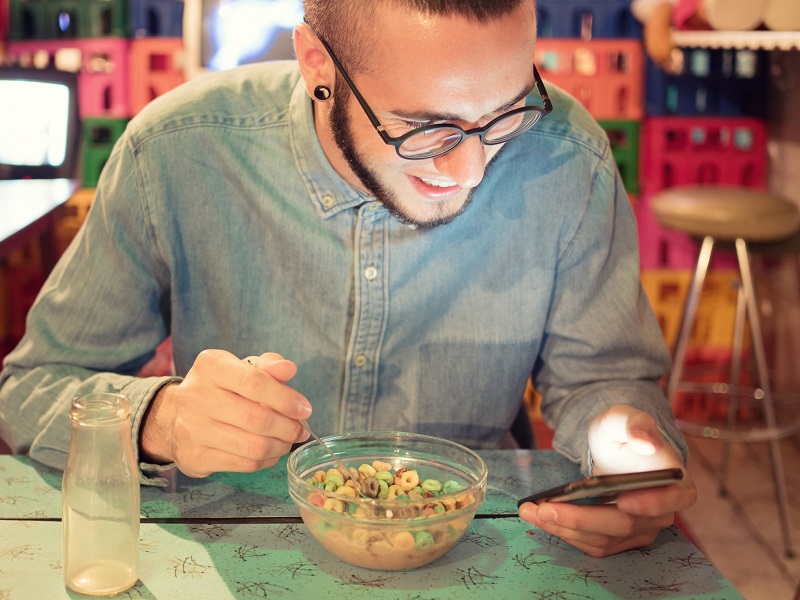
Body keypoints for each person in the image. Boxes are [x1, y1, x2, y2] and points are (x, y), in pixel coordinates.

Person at [0, 0, 696, 557]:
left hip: (469, 552)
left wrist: (622, 443)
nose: (472, 169)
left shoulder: (567, 158)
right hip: (231, 551)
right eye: (427, 130)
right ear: (315, 63)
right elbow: (31, 386)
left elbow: (606, 381)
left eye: (507, 113)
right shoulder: (176, 151)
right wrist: (162, 418)